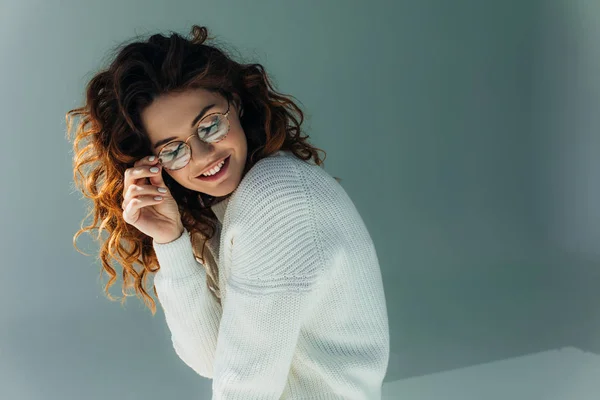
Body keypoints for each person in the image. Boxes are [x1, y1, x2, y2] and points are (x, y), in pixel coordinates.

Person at [66, 25, 389, 399]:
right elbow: (212, 360)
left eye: (210, 124)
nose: (204, 155)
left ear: (235, 102)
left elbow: (245, 386)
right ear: (154, 165)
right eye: (173, 150)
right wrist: (170, 242)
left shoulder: (276, 196)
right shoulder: (228, 207)